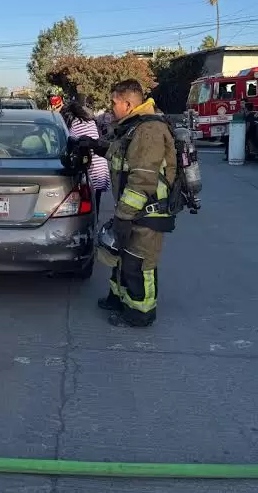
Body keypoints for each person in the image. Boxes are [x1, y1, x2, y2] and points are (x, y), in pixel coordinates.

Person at [78, 79, 177, 328]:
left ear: (128, 103)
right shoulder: (134, 127)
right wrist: (95, 146)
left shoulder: (149, 131)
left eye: (114, 103)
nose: (111, 108)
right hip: (134, 210)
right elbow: (119, 152)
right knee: (122, 257)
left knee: (139, 263)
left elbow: (142, 179)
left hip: (146, 211)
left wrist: (123, 215)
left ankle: (140, 312)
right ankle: (119, 299)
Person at [61, 95, 109, 214]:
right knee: (95, 201)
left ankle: (89, 223)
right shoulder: (90, 122)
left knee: (86, 201)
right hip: (100, 162)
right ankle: (95, 222)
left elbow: (70, 144)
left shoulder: (73, 125)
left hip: (90, 165)